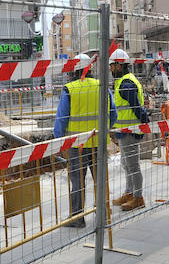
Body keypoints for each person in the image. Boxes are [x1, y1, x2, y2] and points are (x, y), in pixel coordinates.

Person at [53, 53, 117, 228]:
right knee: (100, 179)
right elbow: (113, 114)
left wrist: (58, 141)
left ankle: (77, 217)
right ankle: (102, 214)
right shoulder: (102, 87)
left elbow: (61, 119)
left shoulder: (69, 89)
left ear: (74, 70)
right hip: (98, 143)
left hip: (77, 145)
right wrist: (105, 130)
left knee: (78, 181)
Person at [109, 48, 149, 211]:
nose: (110, 69)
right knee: (126, 164)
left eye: (112, 65)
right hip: (125, 131)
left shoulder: (126, 84)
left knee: (133, 166)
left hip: (130, 131)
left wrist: (144, 122)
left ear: (119, 66)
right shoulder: (123, 81)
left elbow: (136, 107)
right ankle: (129, 192)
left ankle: (138, 197)